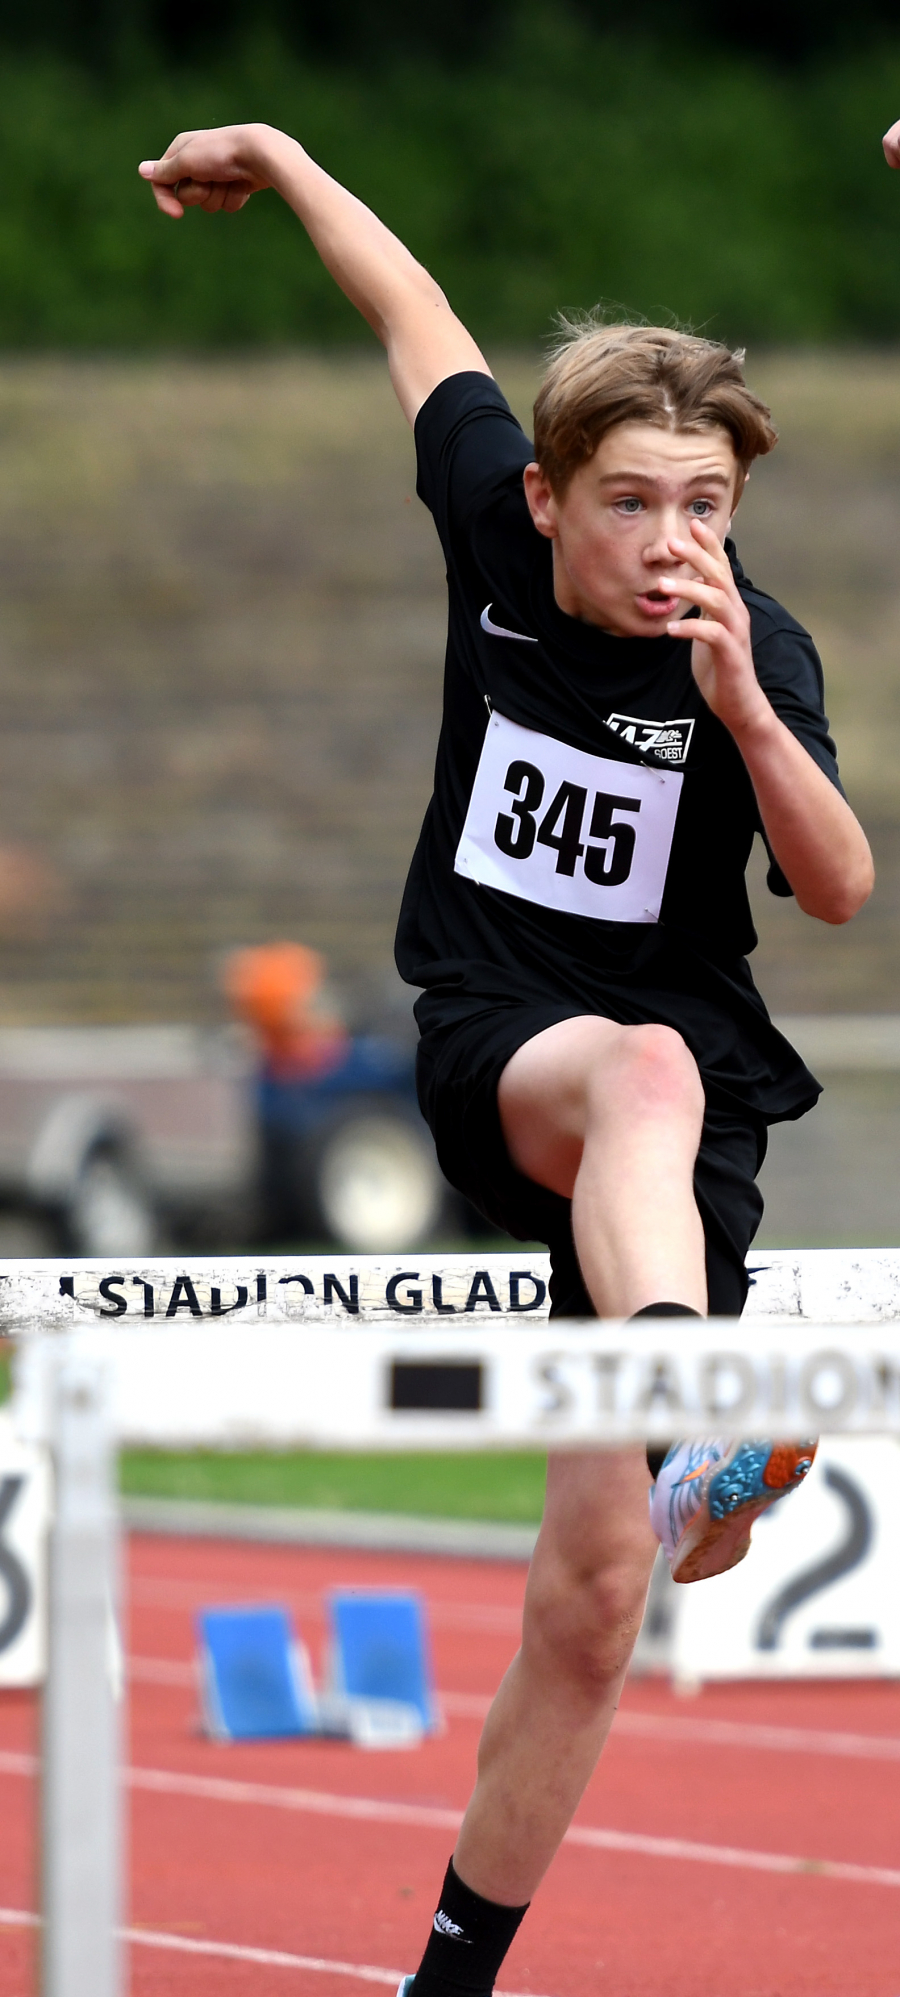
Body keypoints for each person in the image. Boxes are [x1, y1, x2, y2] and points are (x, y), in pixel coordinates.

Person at [140, 124, 874, 1997]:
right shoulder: (488, 518)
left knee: (603, 1592)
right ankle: (694, 1395)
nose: (671, 543)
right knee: (630, 1067)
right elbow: (416, 313)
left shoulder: (748, 646)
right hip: (502, 1045)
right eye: (631, 501)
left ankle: (449, 1976)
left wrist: (741, 718)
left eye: (705, 504)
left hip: (687, 1110)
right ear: (545, 500)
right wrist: (289, 164)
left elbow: (841, 888)